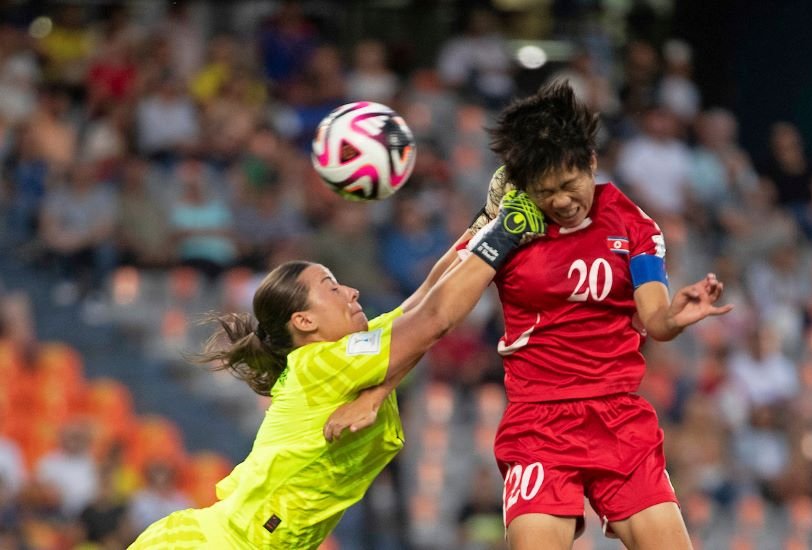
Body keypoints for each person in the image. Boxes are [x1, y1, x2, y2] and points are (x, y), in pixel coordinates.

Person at [327, 81, 733, 550]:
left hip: (619, 419)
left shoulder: (632, 223)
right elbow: (434, 310)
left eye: (569, 184)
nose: (561, 201)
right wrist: (377, 393)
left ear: (592, 163)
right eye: (545, 192)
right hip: (539, 426)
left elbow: (656, 321)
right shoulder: (510, 228)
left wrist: (678, 316)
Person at [127, 191, 546, 549]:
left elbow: (422, 302)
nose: (351, 290)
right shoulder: (322, 363)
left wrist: (484, 222)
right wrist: (506, 233)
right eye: (332, 286)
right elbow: (435, 318)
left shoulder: (347, 351)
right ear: (305, 322)